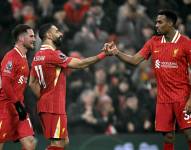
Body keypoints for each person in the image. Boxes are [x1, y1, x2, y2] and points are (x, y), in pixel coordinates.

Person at [106, 10, 191, 150]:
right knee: (168, 137)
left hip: (183, 97)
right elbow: (134, 60)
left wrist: (190, 99)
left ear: (170, 23)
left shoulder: (186, 43)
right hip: (163, 99)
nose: (156, 25)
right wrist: (116, 52)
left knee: (189, 134)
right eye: (156, 22)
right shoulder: (154, 42)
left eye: (160, 22)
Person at [29, 23, 110, 150]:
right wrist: (103, 54)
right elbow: (81, 64)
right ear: (48, 35)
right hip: (53, 107)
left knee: (64, 142)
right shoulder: (53, 55)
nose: (60, 34)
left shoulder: (37, 56)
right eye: (56, 31)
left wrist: (44, 97)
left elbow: (32, 82)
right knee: (58, 144)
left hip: (48, 105)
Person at [0, 24, 36, 150]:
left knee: (30, 142)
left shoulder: (25, 58)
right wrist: (16, 104)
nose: (34, 39)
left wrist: (19, 105)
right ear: (21, 38)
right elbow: (5, 84)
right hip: (5, 107)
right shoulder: (10, 57)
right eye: (31, 36)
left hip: (19, 107)